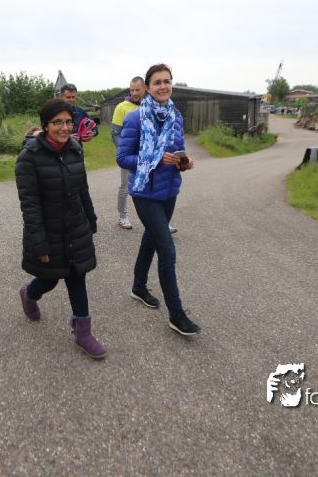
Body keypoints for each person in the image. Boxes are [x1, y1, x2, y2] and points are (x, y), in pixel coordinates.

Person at [15, 98, 106, 359]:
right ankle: (29, 293)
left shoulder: (75, 149)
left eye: (68, 122)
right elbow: (30, 205)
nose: (64, 128)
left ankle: (83, 332)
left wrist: (90, 219)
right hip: (49, 230)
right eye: (57, 122)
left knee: (77, 275)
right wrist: (39, 243)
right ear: (46, 125)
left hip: (75, 226)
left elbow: (83, 189)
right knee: (50, 278)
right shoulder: (28, 158)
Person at [116, 63, 200, 336]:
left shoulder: (176, 116)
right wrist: (154, 159)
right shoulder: (135, 118)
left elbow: (177, 151)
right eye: (157, 82)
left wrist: (183, 163)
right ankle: (176, 314)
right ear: (148, 88)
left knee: (150, 239)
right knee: (167, 250)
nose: (163, 86)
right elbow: (122, 158)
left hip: (169, 190)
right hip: (145, 192)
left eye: (167, 81)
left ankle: (138, 287)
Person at [111, 77, 146, 230]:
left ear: (145, 88)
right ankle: (122, 216)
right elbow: (115, 134)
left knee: (151, 186)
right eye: (132, 90)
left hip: (148, 156)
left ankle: (159, 220)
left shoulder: (151, 105)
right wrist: (126, 151)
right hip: (129, 155)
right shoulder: (121, 107)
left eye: (137, 89)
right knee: (125, 186)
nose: (134, 93)